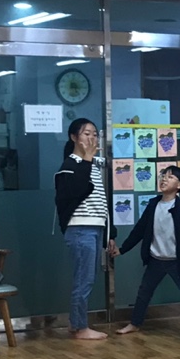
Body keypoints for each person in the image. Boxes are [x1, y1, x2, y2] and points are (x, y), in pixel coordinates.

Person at [115, 165, 180, 342]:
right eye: (163, 176)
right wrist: (123, 249)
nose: (164, 179)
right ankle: (135, 323)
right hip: (156, 260)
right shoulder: (153, 204)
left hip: (177, 261)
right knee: (144, 292)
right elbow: (139, 230)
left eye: (170, 177)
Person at [55, 117, 117, 341]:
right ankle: (80, 327)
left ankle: (76, 323)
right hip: (80, 228)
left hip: (95, 227)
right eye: (86, 134)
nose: (92, 138)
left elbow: (102, 202)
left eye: (94, 134)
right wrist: (88, 160)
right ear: (74, 137)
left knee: (87, 278)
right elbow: (77, 190)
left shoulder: (95, 165)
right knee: (84, 280)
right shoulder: (69, 166)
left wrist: (110, 234)